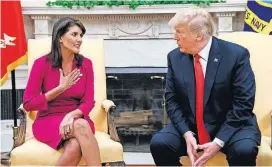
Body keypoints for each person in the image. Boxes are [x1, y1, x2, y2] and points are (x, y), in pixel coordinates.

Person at [150, 7, 261, 166]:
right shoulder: (175, 57)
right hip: (191, 125)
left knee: (244, 150)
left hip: (232, 125)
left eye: (180, 32)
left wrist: (218, 142)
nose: (175, 37)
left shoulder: (236, 55)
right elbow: (171, 101)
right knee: (160, 144)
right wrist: (187, 134)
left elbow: (244, 104)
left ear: (198, 35)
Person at [23, 17, 101, 166]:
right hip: (48, 121)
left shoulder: (85, 64)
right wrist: (61, 88)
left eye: (81, 35)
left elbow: (88, 101)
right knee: (81, 126)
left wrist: (71, 115)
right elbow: (28, 104)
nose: (79, 39)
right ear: (60, 37)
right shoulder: (41, 64)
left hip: (77, 118)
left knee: (75, 146)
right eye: (74, 34)